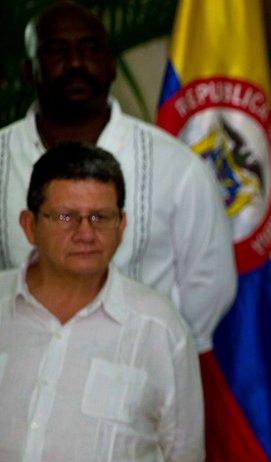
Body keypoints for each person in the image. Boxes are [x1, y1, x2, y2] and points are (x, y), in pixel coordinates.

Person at [0, 1, 235, 352]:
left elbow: (209, 280)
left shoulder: (176, 165)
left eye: (90, 50)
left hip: (138, 371)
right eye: (56, 51)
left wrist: (151, 352)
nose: (76, 64)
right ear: (28, 70)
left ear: (111, 66)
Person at [0, 142, 203, 462]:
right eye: (66, 217)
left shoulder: (159, 328)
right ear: (28, 225)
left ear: (122, 225)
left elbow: (182, 461)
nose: (86, 233)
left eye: (101, 217)